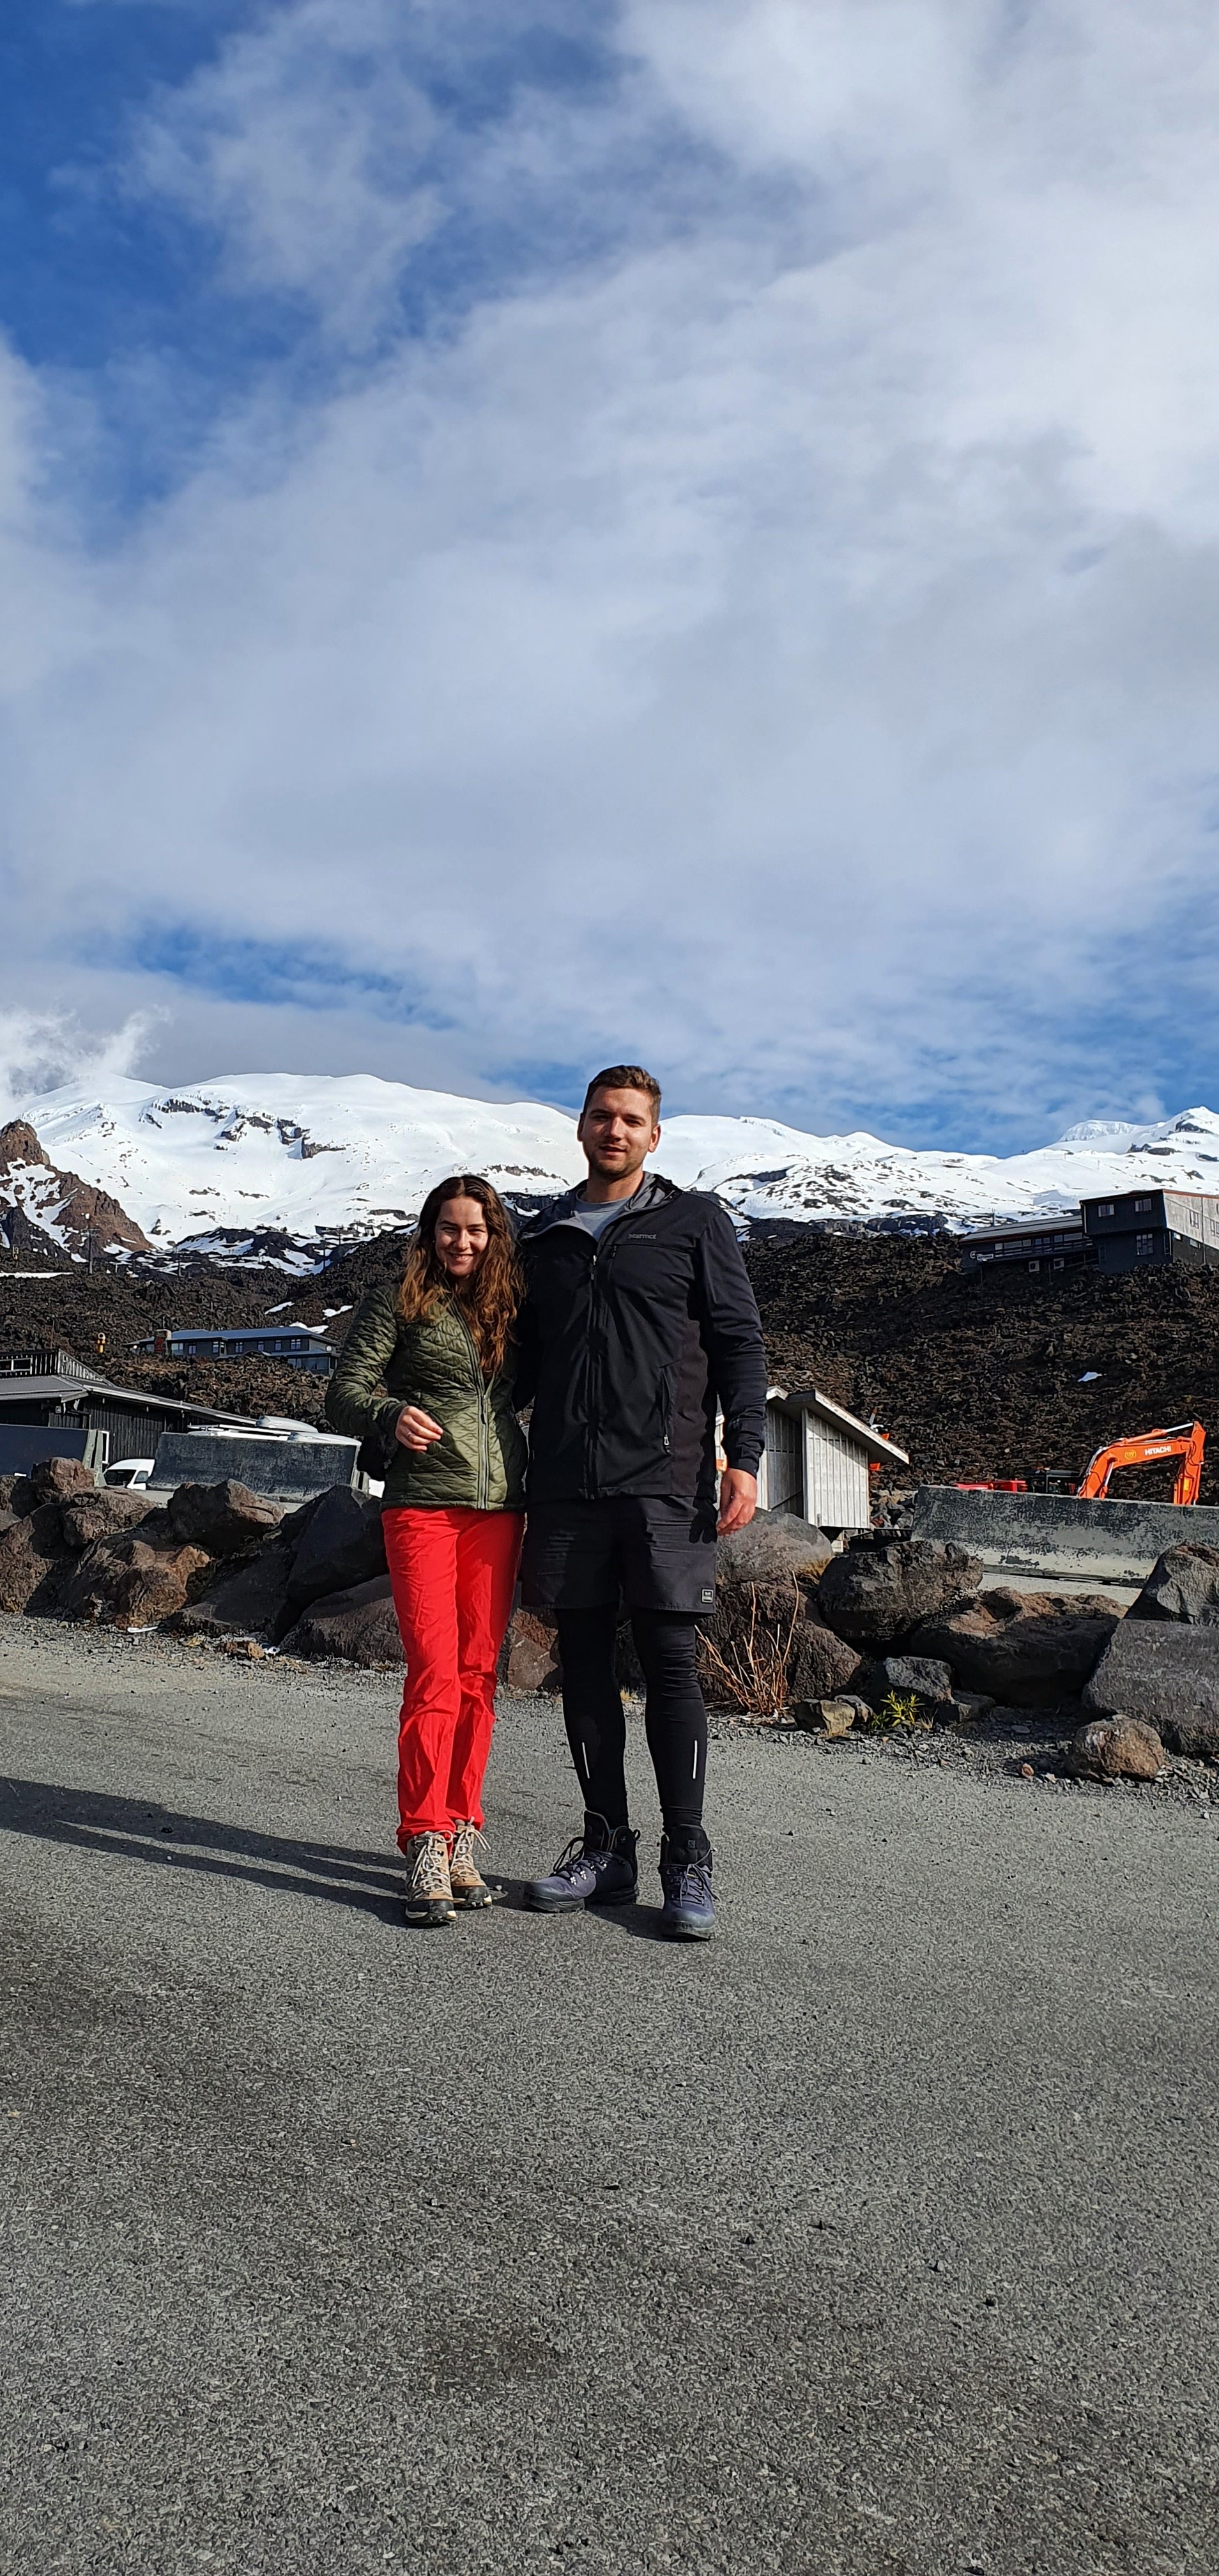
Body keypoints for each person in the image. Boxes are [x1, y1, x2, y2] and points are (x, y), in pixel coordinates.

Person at [514, 1066, 767, 1940]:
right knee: (582, 1665)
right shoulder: (544, 1235)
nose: (614, 1130)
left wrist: (745, 1457)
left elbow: (738, 1341)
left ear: (654, 1136)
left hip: (666, 1481)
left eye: (630, 1120)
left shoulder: (693, 1221)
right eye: (601, 1116)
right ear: (581, 1127)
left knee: (670, 1663)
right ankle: (606, 1849)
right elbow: (515, 1365)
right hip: (566, 1484)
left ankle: (685, 1855)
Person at [326, 1176, 526, 1928]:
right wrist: (389, 1413)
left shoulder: (513, 1307)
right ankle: (424, 1839)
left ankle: (463, 1828)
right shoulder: (398, 1301)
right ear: (429, 1232)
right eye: (449, 1228)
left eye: (476, 1229)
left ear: (494, 1235)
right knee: (436, 1673)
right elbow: (343, 1393)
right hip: (421, 1508)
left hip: (499, 1509)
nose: (462, 1242)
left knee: (478, 1675)